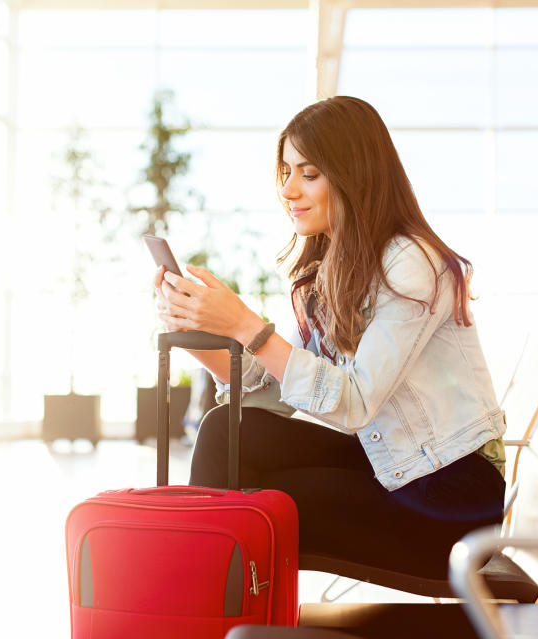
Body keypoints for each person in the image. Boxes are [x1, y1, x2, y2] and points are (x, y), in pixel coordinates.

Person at [152, 96, 506, 579]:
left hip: (449, 502)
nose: (289, 190)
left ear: (354, 174)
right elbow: (282, 394)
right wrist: (209, 334)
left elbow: (354, 401)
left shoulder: (412, 264)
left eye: (310, 173)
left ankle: (192, 606)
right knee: (228, 431)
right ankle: (208, 608)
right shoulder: (332, 271)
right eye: (286, 172)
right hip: (396, 470)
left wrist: (244, 324)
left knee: (252, 510)